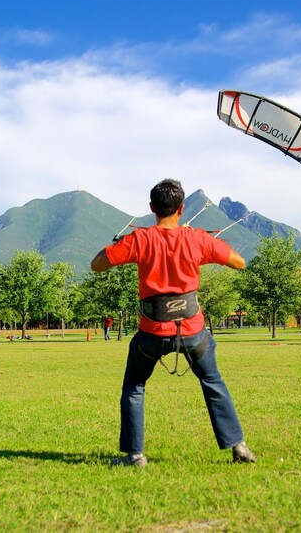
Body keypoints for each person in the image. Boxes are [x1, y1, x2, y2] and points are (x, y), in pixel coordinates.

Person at [91, 179, 255, 468]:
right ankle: (239, 446)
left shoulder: (140, 239)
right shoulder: (197, 239)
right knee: (212, 381)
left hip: (152, 332)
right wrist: (203, 243)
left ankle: (135, 456)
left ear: (152, 208)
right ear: (181, 208)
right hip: (193, 332)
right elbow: (239, 262)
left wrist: (124, 245)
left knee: (134, 385)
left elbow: (97, 264)